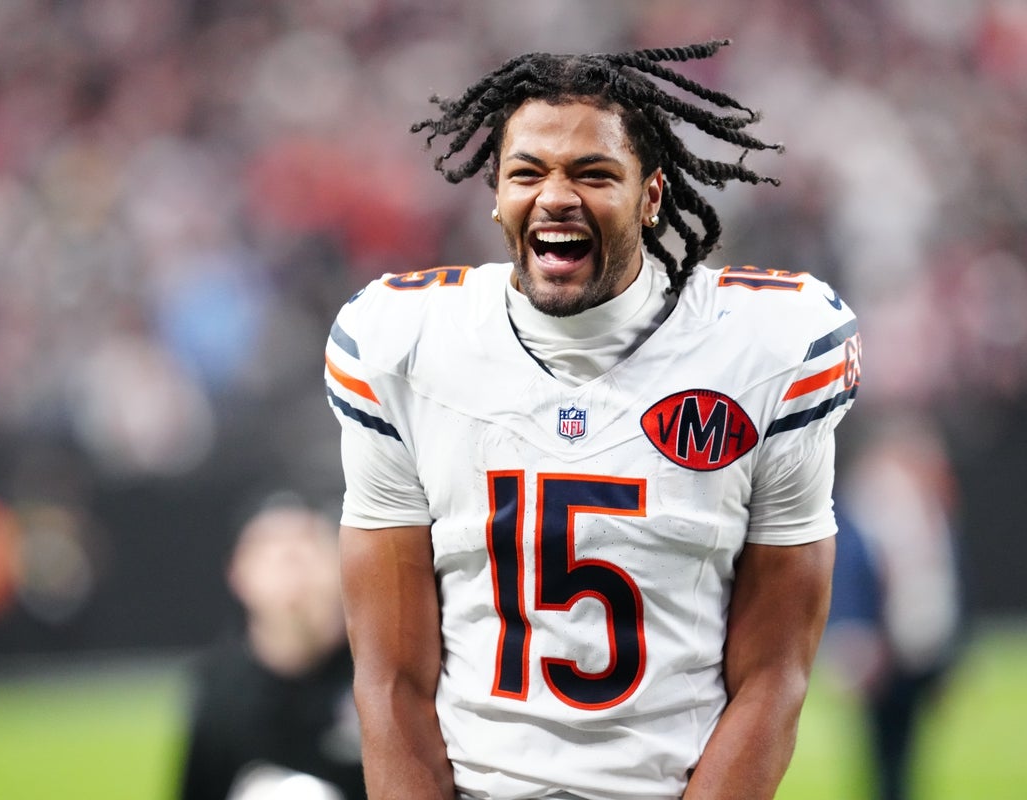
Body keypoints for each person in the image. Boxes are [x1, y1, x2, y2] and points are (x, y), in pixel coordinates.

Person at [324, 40, 861, 800]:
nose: (555, 197)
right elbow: (390, 682)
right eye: (527, 172)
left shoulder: (769, 347)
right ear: (496, 193)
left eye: (593, 173)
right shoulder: (402, 343)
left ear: (651, 195)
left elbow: (776, 673)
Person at [179, 496, 365, 800]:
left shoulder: (381, 668)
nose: (292, 563)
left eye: (307, 544)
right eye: (269, 550)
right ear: (237, 574)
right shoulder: (221, 690)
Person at [822, 419, 965, 800]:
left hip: (917, 644)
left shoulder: (928, 511)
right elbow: (857, 574)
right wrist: (857, 639)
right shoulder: (872, 508)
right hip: (883, 646)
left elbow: (944, 584)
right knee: (883, 752)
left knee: (904, 750)